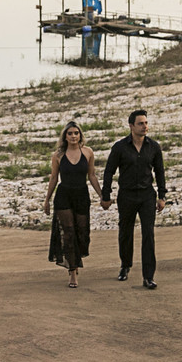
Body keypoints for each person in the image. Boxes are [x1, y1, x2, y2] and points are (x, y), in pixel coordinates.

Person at [101, 109, 166, 289]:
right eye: (140, 123)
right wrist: (105, 196)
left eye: (146, 123)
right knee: (125, 232)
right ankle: (125, 265)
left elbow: (160, 172)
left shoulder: (153, 146)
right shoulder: (120, 147)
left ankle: (148, 277)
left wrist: (162, 196)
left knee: (148, 234)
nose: (145, 126)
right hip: (127, 195)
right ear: (131, 126)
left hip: (147, 195)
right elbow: (109, 172)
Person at [43, 121, 103, 288]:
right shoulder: (58, 155)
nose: (73, 136)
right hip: (64, 196)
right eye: (70, 133)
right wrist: (47, 200)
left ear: (80, 135)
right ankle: (72, 272)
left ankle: (75, 261)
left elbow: (92, 175)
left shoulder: (88, 152)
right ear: (65, 136)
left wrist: (102, 195)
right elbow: (54, 177)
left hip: (82, 195)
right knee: (68, 232)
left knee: (82, 232)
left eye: (76, 133)